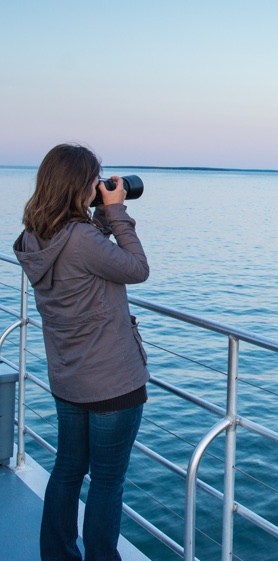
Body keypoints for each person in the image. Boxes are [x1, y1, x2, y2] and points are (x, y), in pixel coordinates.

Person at [13, 144, 150, 561]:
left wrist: (101, 219)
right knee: (107, 481)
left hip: (69, 377)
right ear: (78, 185)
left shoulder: (36, 236)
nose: (101, 184)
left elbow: (85, 255)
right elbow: (136, 269)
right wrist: (117, 212)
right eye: (96, 178)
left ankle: (57, 554)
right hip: (112, 381)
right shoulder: (81, 239)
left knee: (69, 470)